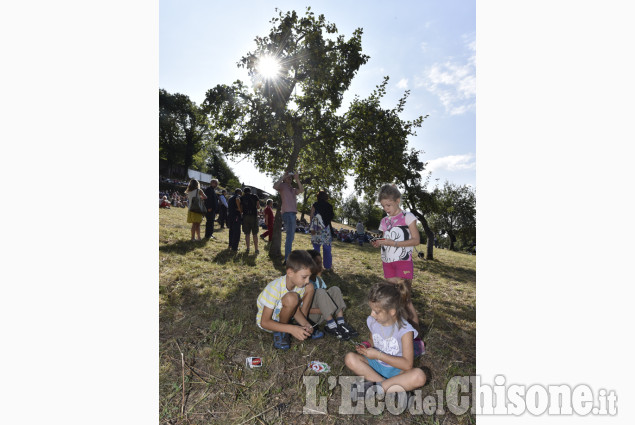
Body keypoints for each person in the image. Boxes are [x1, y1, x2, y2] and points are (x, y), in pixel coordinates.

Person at [345, 281, 427, 402]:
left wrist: (378, 355)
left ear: (392, 311)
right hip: (377, 366)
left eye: (376, 311)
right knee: (350, 358)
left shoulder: (405, 330)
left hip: (398, 372)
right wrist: (366, 346)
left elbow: (407, 364)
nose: (371, 314)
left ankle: (376, 389)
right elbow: (372, 341)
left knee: (419, 376)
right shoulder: (373, 321)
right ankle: (392, 389)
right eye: (371, 310)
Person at [370, 184, 424, 355]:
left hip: (403, 262)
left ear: (397, 201)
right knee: (392, 300)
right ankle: (395, 337)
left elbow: (416, 240)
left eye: (389, 205)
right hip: (388, 262)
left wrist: (394, 243)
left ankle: (417, 341)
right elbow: (382, 239)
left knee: (405, 300)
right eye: (383, 206)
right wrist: (377, 242)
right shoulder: (384, 221)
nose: (386, 209)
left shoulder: (408, 217)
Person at [256, 250, 323, 350]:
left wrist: (305, 324)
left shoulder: (299, 286)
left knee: (295, 297)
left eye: (309, 276)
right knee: (291, 298)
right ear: (290, 272)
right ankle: (281, 333)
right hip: (270, 323)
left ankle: (295, 328)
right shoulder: (274, 288)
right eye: (304, 277)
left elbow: (295, 310)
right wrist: (291, 329)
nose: (307, 281)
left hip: (284, 317)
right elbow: (264, 322)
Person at [306, 249, 358, 341]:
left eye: (320, 262)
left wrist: (326, 308)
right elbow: (302, 310)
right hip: (311, 317)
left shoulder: (319, 280)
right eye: (317, 263)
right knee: (320, 292)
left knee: (335, 289)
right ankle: (331, 325)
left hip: (324, 314)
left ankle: (341, 323)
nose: (320, 266)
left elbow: (324, 299)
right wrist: (322, 310)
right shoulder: (305, 283)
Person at [273, 171, 303, 264]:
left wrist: (297, 179)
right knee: (290, 237)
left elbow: (301, 190)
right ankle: (287, 259)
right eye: (288, 177)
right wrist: (283, 177)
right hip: (288, 213)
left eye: (291, 177)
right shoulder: (282, 186)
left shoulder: (292, 189)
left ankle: (287, 258)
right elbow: (274, 186)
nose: (289, 178)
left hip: (292, 214)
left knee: (290, 237)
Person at [309, 190, 334, 271]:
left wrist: (312, 227)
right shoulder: (329, 206)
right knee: (327, 248)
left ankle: (315, 266)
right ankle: (327, 267)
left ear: (318, 197)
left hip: (316, 229)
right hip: (326, 229)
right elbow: (331, 217)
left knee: (316, 248)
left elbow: (311, 216)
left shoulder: (315, 204)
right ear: (326, 197)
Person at [240, 187, 261, 254]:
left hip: (245, 216)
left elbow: (241, 209)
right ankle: (256, 249)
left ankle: (248, 248)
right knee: (255, 234)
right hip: (254, 216)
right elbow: (258, 207)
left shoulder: (242, 197)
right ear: (250, 191)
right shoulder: (254, 196)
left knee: (247, 233)